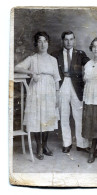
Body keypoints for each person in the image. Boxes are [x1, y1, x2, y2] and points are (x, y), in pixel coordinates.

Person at [14, 32, 61, 160]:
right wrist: (31, 72)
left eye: (45, 41)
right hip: (36, 90)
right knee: (37, 118)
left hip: (50, 90)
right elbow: (16, 67)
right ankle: (38, 147)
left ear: (48, 43)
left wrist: (57, 96)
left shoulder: (53, 60)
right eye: (39, 41)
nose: (42, 44)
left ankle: (45, 146)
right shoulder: (32, 58)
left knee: (47, 118)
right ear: (36, 44)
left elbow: (57, 78)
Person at [52, 31, 90, 153]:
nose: (69, 42)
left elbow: (91, 65)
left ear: (74, 40)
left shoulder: (80, 54)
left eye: (71, 39)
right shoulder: (55, 54)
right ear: (62, 41)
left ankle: (81, 144)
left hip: (77, 87)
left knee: (78, 116)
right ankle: (66, 143)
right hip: (62, 85)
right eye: (66, 39)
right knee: (64, 115)